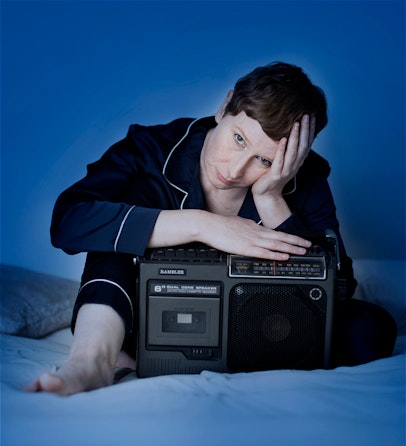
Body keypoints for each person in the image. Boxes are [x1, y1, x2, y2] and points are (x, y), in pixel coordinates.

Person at [27, 62, 397, 396]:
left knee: (371, 329)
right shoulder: (149, 149)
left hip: (258, 328)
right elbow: (69, 220)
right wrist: (202, 225)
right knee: (112, 235)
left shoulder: (306, 177)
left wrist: (271, 199)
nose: (235, 171)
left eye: (263, 160)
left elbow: (340, 286)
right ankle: (91, 363)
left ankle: (211, 359)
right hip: (142, 318)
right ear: (224, 107)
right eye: (238, 139)